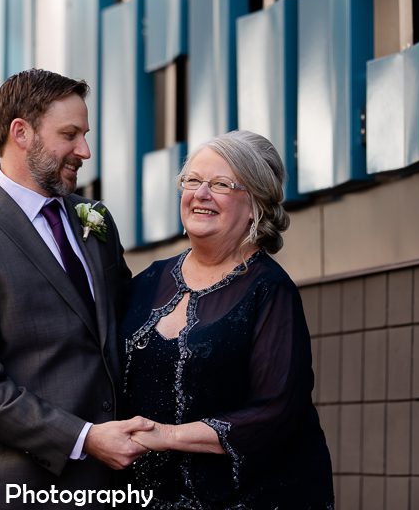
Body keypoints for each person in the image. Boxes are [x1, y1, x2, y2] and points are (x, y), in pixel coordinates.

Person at [0, 69, 151, 509]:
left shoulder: (94, 219)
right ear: (21, 133)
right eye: (70, 134)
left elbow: (126, 324)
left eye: (84, 135)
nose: (84, 151)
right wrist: (84, 438)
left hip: (115, 487)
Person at [120, 130, 334, 509]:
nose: (201, 194)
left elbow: (275, 412)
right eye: (192, 181)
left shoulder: (270, 290)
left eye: (221, 184)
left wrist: (168, 435)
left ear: (255, 205)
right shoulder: (148, 282)